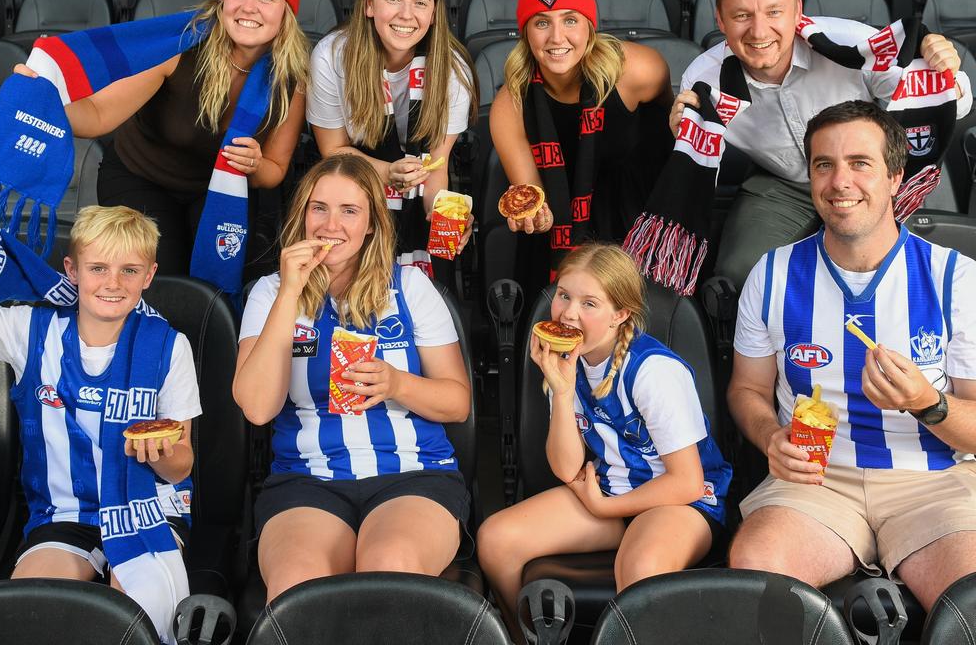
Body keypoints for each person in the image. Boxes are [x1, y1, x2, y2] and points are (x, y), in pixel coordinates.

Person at [727, 100, 976, 611]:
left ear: (894, 176)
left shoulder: (957, 278)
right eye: (824, 165)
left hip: (932, 482)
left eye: (860, 163)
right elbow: (746, 389)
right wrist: (770, 436)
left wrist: (930, 403)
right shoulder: (771, 274)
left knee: (970, 600)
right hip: (816, 482)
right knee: (756, 569)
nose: (840, 181)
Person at [0, 201, 201, 639]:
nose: (112, 282)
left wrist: (160, 453)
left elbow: (182, 464)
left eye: (129, 270)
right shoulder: (30, 329)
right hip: (64, 513)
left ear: (149, 275)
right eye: (98, 268)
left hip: (149, 509)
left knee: (132, 619)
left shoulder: (169, 346)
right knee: (32, 613)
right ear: (72, 270)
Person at [233, 154, 471, 601]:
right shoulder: (270, 292)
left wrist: (396, 384)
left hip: (414, 474)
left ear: (372, 225)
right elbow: (258, 407)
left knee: (389, 567)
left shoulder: (410, 287)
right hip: (307, 479)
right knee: (296, 589)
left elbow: (457, 403)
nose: (330, 225)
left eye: (349, 211)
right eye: (318, 208)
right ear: (302, 216)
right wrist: (290, 292)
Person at [672, 0, 972, 290]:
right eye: (741, 15)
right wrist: (679, 135)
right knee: (741, 273)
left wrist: (944, 73)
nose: (758, 32)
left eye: (773, 12)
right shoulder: (705, 79)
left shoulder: (850, 42)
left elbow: (949, 103)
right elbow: (696, 170)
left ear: (797, 10)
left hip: (865, 175)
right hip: (783, 185)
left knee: (908, 272)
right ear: (719, 19)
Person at [16, 0, 311, 278]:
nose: (248, 7)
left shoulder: (292, 76)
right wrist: (42, 94)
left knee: (214, 282)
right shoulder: (182, 45)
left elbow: (275, 168)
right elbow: (96, 116)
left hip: (218, 187)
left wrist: (255, 164)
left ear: (286, 11)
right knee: (159, 278)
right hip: (142, 177)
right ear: (222, 0)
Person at [477, 243, 731, 642]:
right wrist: (561, 392)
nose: (569, 313)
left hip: (680, 500)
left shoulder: (653, 372)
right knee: (496, 540)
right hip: (611, 491)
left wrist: (603, 505)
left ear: (621, 314)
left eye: (589, 303)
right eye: (563, 295)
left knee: (642, 566)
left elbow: (687, 482)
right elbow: (565, 468)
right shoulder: (565, 360)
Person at [490, 0, 674, 293]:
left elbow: (668, 135)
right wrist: (532, 215)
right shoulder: (509, 105)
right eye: (542, 22)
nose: (556, 38)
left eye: (570, 20)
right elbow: (532, 195)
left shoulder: (639, 70)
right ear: (525, 31)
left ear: (590, 26)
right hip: (559, 238)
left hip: (637, 220)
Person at [307, 0, 477, 278]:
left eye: (420, 3)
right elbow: (332, 151)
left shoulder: (453, 70)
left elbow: (436, 167)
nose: (406, 15)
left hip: (416, 191)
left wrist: (444, 218)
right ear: (369, 5)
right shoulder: (331, 56)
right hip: (348, 185)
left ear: (433, 13)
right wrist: (389, 173)